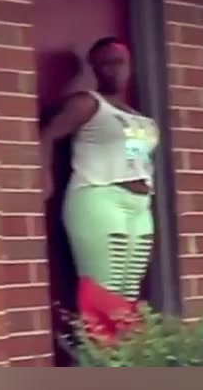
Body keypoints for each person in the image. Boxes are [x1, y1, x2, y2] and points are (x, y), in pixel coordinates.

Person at [40, 37, 161, 341]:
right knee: (103, 288)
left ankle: (125, 355)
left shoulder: (137, 117)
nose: (112, 69)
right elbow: (48, 134)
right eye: (104, 63)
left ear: (130, 65)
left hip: (139, 204)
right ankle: (100, 355)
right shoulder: (89, 103)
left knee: (128, 291)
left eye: (119, 62)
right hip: (99, 196)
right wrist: (44, 175)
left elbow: (132, 156)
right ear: (94, 68)